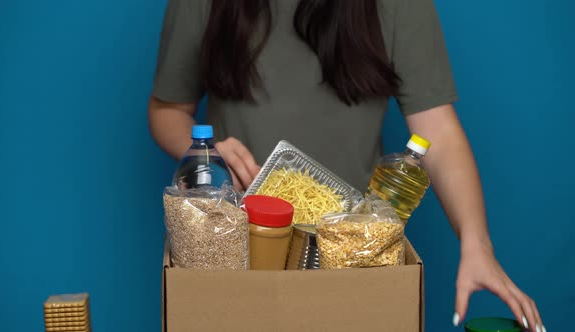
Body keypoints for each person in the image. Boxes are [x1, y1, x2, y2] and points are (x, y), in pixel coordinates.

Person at [148, 0, 544, 330]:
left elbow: (437, 130)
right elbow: (167, 111)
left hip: (357, 256)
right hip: (238, 251)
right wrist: (207, 150)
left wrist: (477, 245)